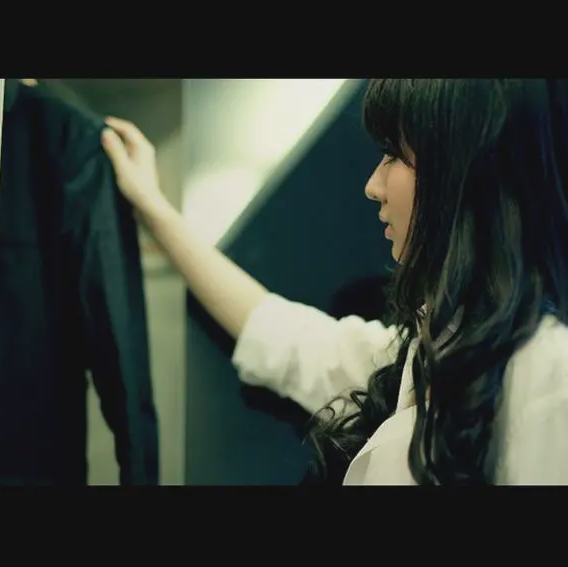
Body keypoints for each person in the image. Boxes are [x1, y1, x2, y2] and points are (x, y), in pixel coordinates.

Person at [100, 79, 568, 485]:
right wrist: (153, 206)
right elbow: (277, 331)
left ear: (460, 170)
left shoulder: (550, 378)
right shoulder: (423, 354)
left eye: (394, 155)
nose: (373, 185)